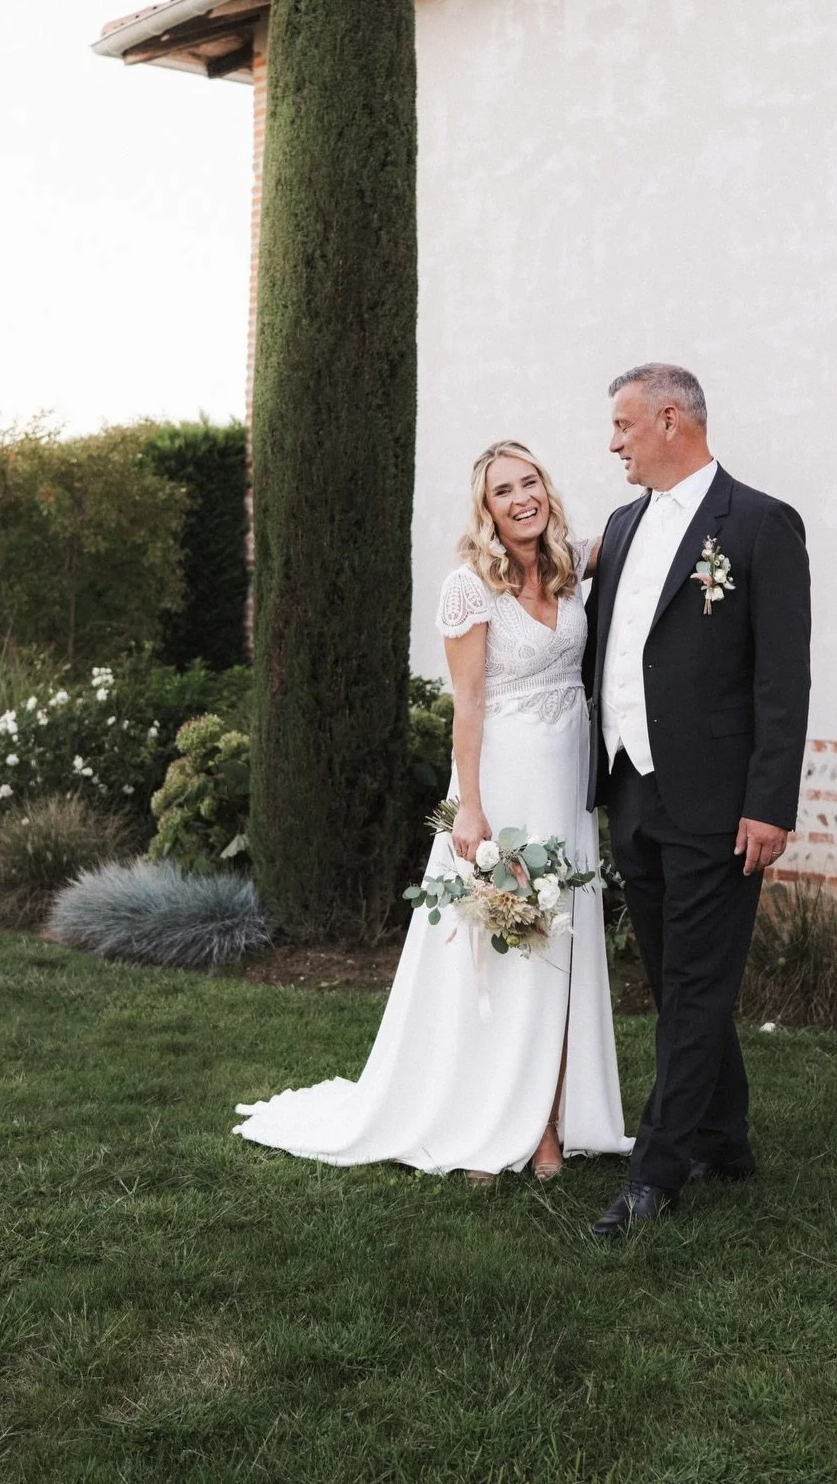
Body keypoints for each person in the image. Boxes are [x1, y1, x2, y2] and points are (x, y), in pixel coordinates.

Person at [234, 441, 631, 1181]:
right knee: (498, 944)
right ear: (485, 509)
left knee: (562, 945)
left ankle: (547, 1126)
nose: (521, 498)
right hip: (502, 781)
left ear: (547, 486)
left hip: (566, 780)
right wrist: (469, 810)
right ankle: (484, 1119)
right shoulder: (470, 586)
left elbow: (642, 525)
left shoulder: (573, 562)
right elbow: (469, 704)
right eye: (502, 490)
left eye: (530, 481)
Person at [584, 364, 811, 1238]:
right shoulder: (620, 524)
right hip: (631, 789)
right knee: (683, 982)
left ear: (671, 419)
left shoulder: (758, 524)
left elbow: (782, 677)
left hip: (719, 802)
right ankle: (726, 1137)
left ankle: (656, 1173)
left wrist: (770, 802)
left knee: (692, 983)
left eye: (623, 425)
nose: (613, 443)